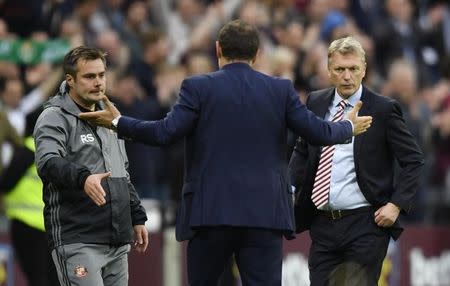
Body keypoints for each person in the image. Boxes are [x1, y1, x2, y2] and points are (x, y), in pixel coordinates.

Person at [79, 20, 372, 286]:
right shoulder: (279, 90)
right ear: (257, 54)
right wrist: (348, 128)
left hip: (210, 214)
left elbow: (164, 133)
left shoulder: (197, 87)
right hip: (264, 215)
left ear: (218, 49)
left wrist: (117, 122)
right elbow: (318, 133)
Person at [288, 36, 424, 286]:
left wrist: (396, 204)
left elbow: (413, 160)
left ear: (364, 70)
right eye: (340, 69)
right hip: (323, 224)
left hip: (366, 225)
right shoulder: (316, 102)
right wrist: (290, 188)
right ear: (329, 71)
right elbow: (303, 150)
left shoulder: (383, 109)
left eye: (353, 69)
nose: (347, 76)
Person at [33, 46, 149, 286]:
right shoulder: (54, 116)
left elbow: (122, 173)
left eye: (101, 75)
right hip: (78, 238)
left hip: (117, 241)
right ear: (70, 80)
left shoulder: (110, 117)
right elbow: (47, 162)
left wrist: (137, 216)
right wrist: (83, 178)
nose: (98, 82)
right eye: (89, 76)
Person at [0, 136, 60, 286]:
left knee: (37, 277)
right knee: (54, 278)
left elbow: (7, 181)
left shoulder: (33, 145)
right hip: (55, 225)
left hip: (28, 222)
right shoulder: (65, 146)